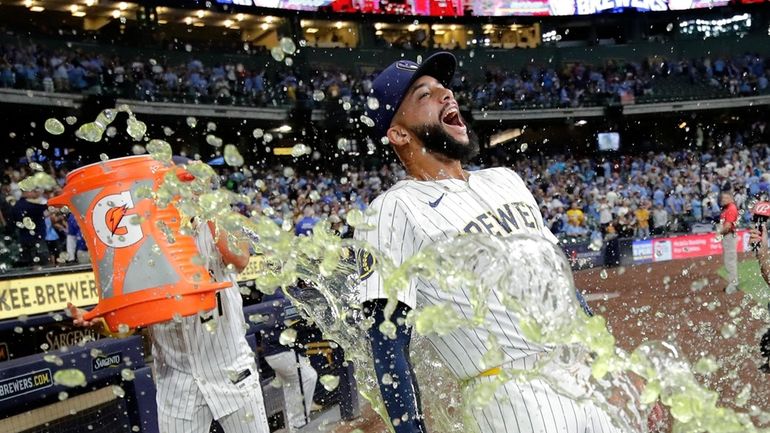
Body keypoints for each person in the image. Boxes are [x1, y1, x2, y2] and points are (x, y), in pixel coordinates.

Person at [355, 52, 623, 433]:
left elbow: (563, 289)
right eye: (423, 94)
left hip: (582, 378)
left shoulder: (506, 180)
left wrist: (611, 368)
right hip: (512, 398)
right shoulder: (392, 210)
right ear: (399, 134)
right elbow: (387, 341)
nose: (446, 94)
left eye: (444, 87)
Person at [68, 165, 270, 433]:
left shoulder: (217, 222)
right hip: (177, 385)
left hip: (232, 372)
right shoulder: (139, 242)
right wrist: (98, 323)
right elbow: (131, 323)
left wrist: (206, 206)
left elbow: (241, 258)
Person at [719, 191, 739, 294]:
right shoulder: (728, 208)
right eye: (722, 198)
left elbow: (727, 227)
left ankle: (733, 285)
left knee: (730, 262)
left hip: (729, 236)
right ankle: (733, 283)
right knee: (730, 261)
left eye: (725, 198)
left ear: (731, 199)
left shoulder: (731, 208)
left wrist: (718, 232)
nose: (723, 200)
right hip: (729, 236)